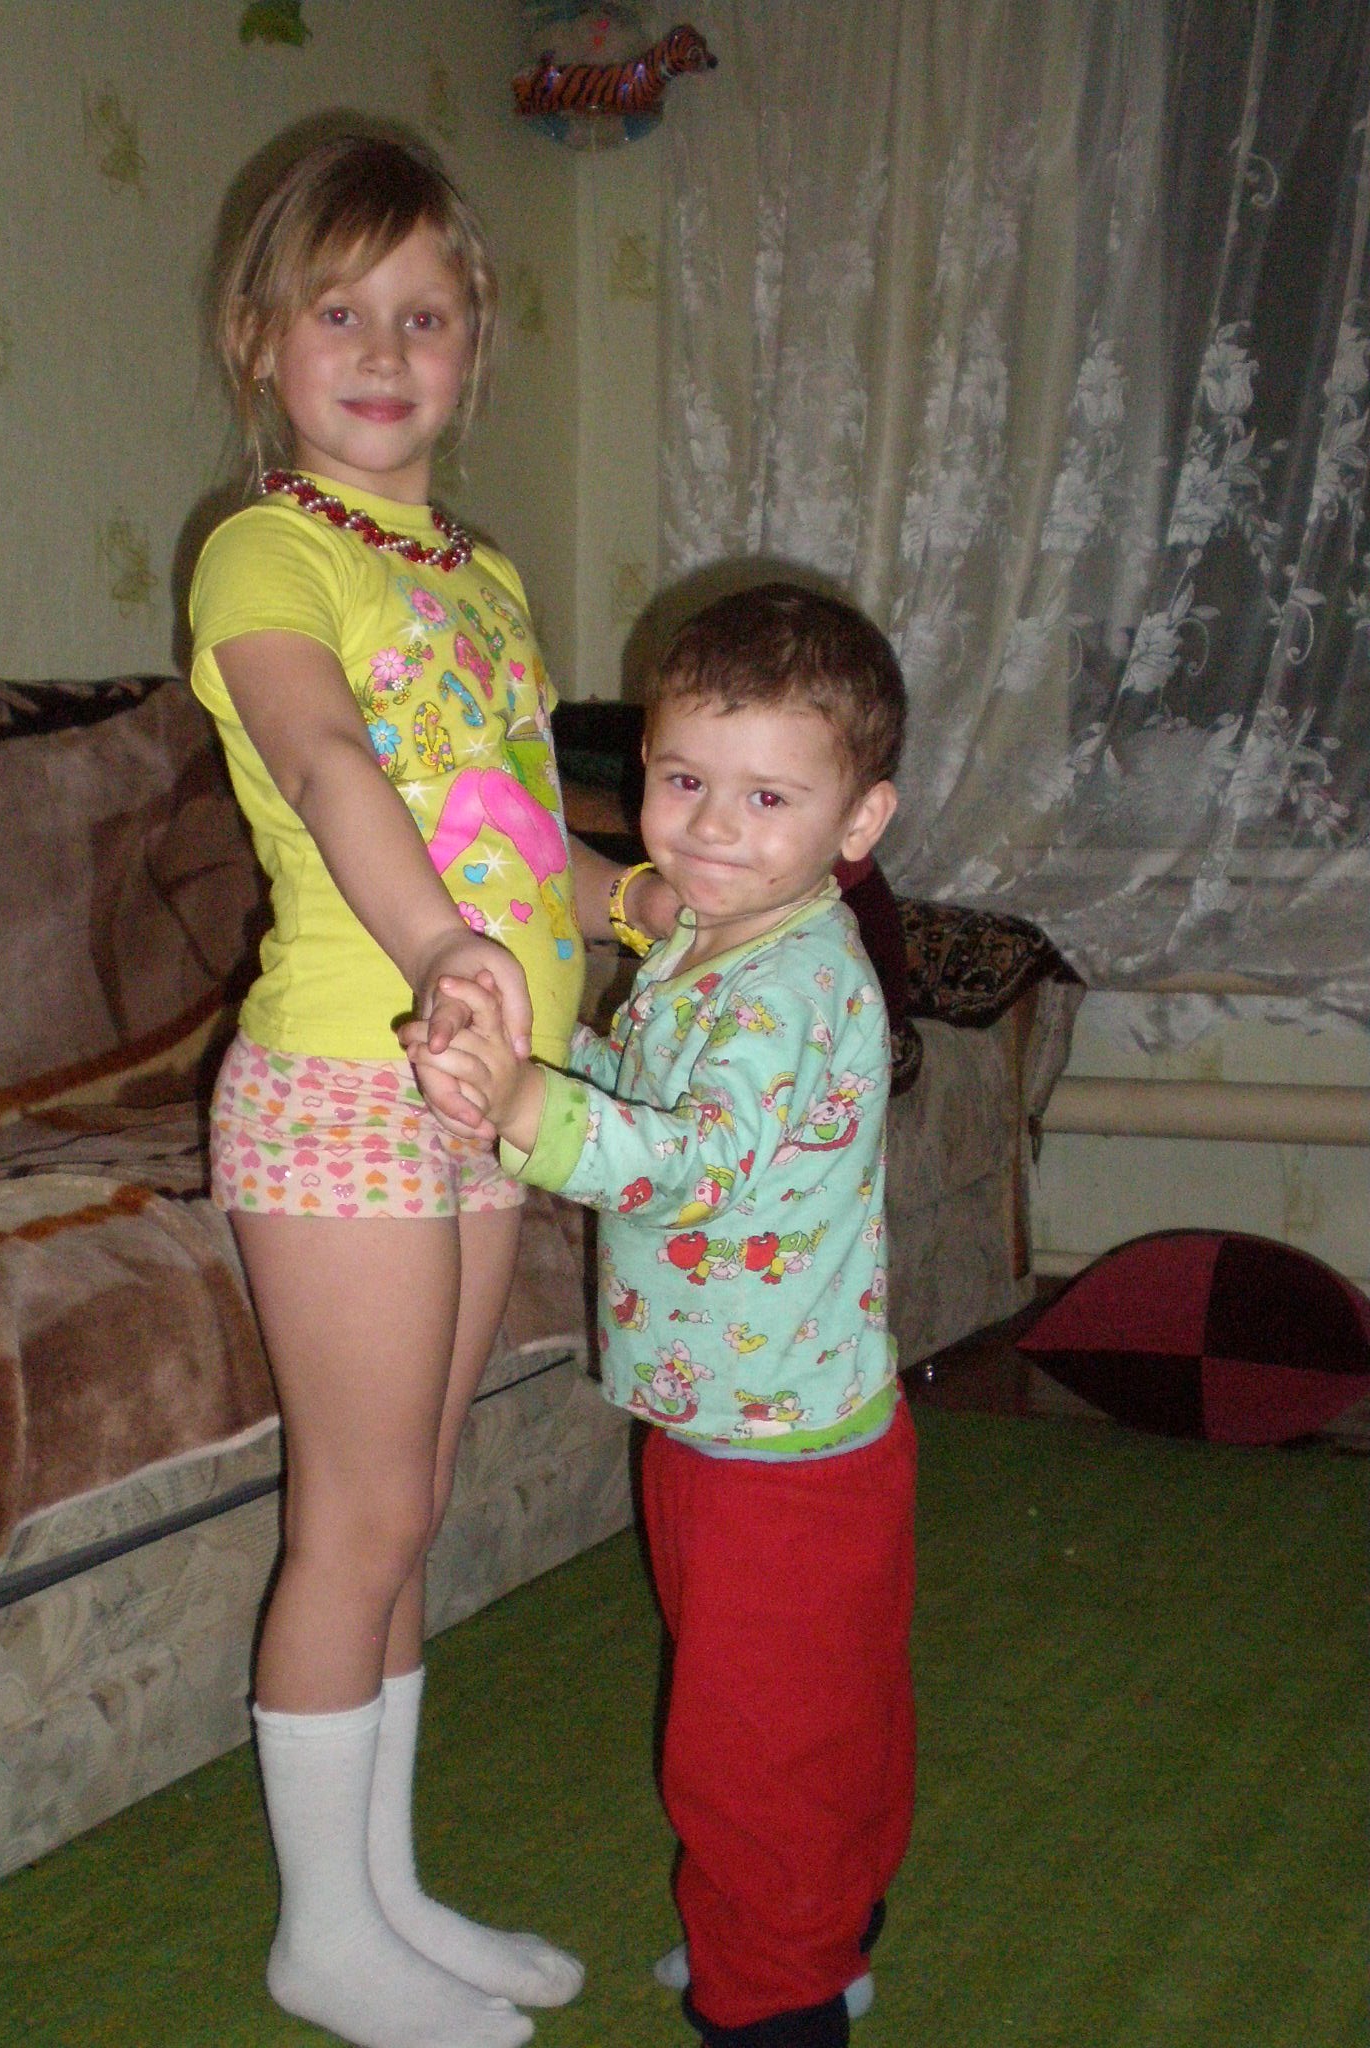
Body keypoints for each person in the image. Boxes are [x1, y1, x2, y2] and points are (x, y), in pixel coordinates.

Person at [188, 129, 678, 2048]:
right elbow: (331, 767)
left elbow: (507, 826)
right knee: (359, 1516)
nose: (385, 353)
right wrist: (441, 955)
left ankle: (383, 1895)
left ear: (476, 340)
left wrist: (628, 897)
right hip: (342, 1079)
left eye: (425, 315)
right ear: (261, 340)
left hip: (482, 1091)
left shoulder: (482, 575)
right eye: (341, 313)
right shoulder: (266, 549)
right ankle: (322, 1936)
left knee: (414, 1507)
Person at [405, 583, 916, 2048]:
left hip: (781, 1452)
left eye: (768, 798)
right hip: (738, 1418)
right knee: (812, 1712)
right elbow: (644, 1092)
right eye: (684, 781)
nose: (710, 829)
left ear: (859, 821)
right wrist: (535, 1062)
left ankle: (775, 2001)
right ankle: (824, 1921)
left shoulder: (788, 989)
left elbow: (688, 1163)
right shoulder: (719, 939)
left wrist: (524, 1104)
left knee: (751, 1750)